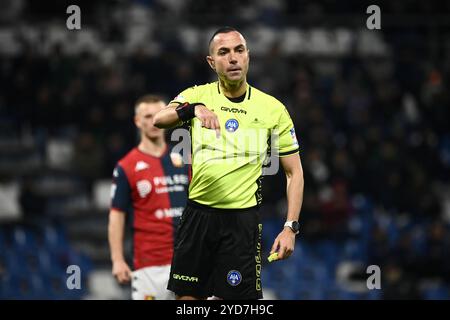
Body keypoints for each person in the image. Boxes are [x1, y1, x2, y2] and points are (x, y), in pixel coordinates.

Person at [153, 27, 304, 300]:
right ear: (212, 62)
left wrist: (290, 227)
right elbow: (159, 119)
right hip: (198, 216)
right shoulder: (198, 95)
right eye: (223, 52)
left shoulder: (272, 109)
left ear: (248, 56)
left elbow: (294, 172)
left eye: (239, 50)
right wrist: (193, 108)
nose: (233, 58)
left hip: (241, 222)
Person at [108, 95, 189, 300]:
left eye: (159, 115)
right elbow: (116, 215)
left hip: (189, 260)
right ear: (137, 121)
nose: (153, 121)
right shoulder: (126, 166)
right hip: (149, 265)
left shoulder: (185, 161)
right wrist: (117, 259)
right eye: (147, 116)